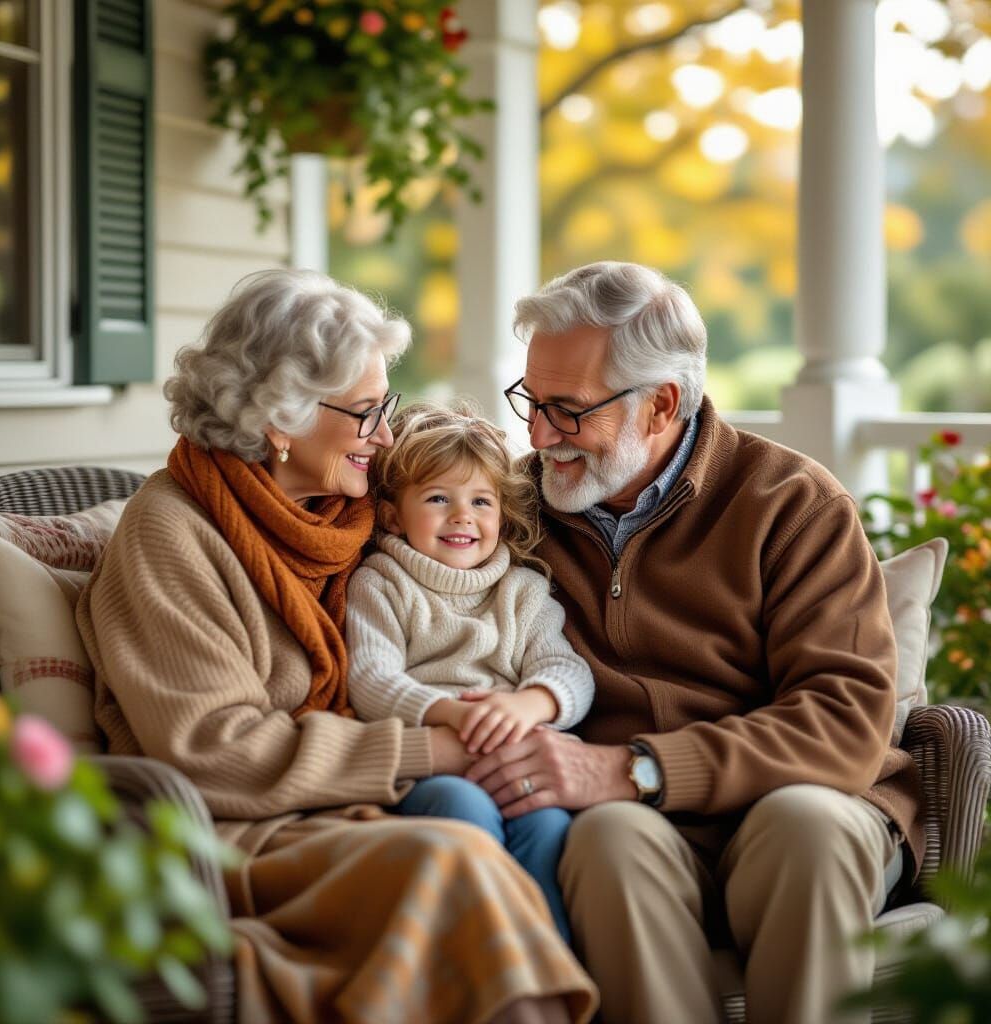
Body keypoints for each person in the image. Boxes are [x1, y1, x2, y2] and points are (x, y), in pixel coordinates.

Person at [75, 270, 596, 1024]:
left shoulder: (337, 521)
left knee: (509, 837)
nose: (385, 436)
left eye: (384, 408)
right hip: (241, 830)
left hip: (347, 797)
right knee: (453, 856)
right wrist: (446, 751)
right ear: (277, 421)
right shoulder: (171, 533)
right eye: (365, 412)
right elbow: (212, 751)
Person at [464, 261, 922, 1024]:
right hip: (634, 827)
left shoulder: (792, 504)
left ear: (662, 405)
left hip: (799, 805)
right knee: (607, 839)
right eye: (531, 402)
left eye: (568, 410)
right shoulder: (512, 507)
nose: (539, 435)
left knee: (804, 829)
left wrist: (636, 767)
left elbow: (846, 723)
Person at [346, 401, 595, 942]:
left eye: (480, 501)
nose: (462, 516)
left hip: (514, 758)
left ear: (501, 514)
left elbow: (567, 670)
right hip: (428, 767)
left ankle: (549, 963)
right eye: (438, 499)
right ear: (393, 515)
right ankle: (481, 963)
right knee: (463, 809)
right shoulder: (382, 583)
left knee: (549, 824)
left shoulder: (523, 590)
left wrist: (531, 704)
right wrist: (450, 715)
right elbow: (369, 678)